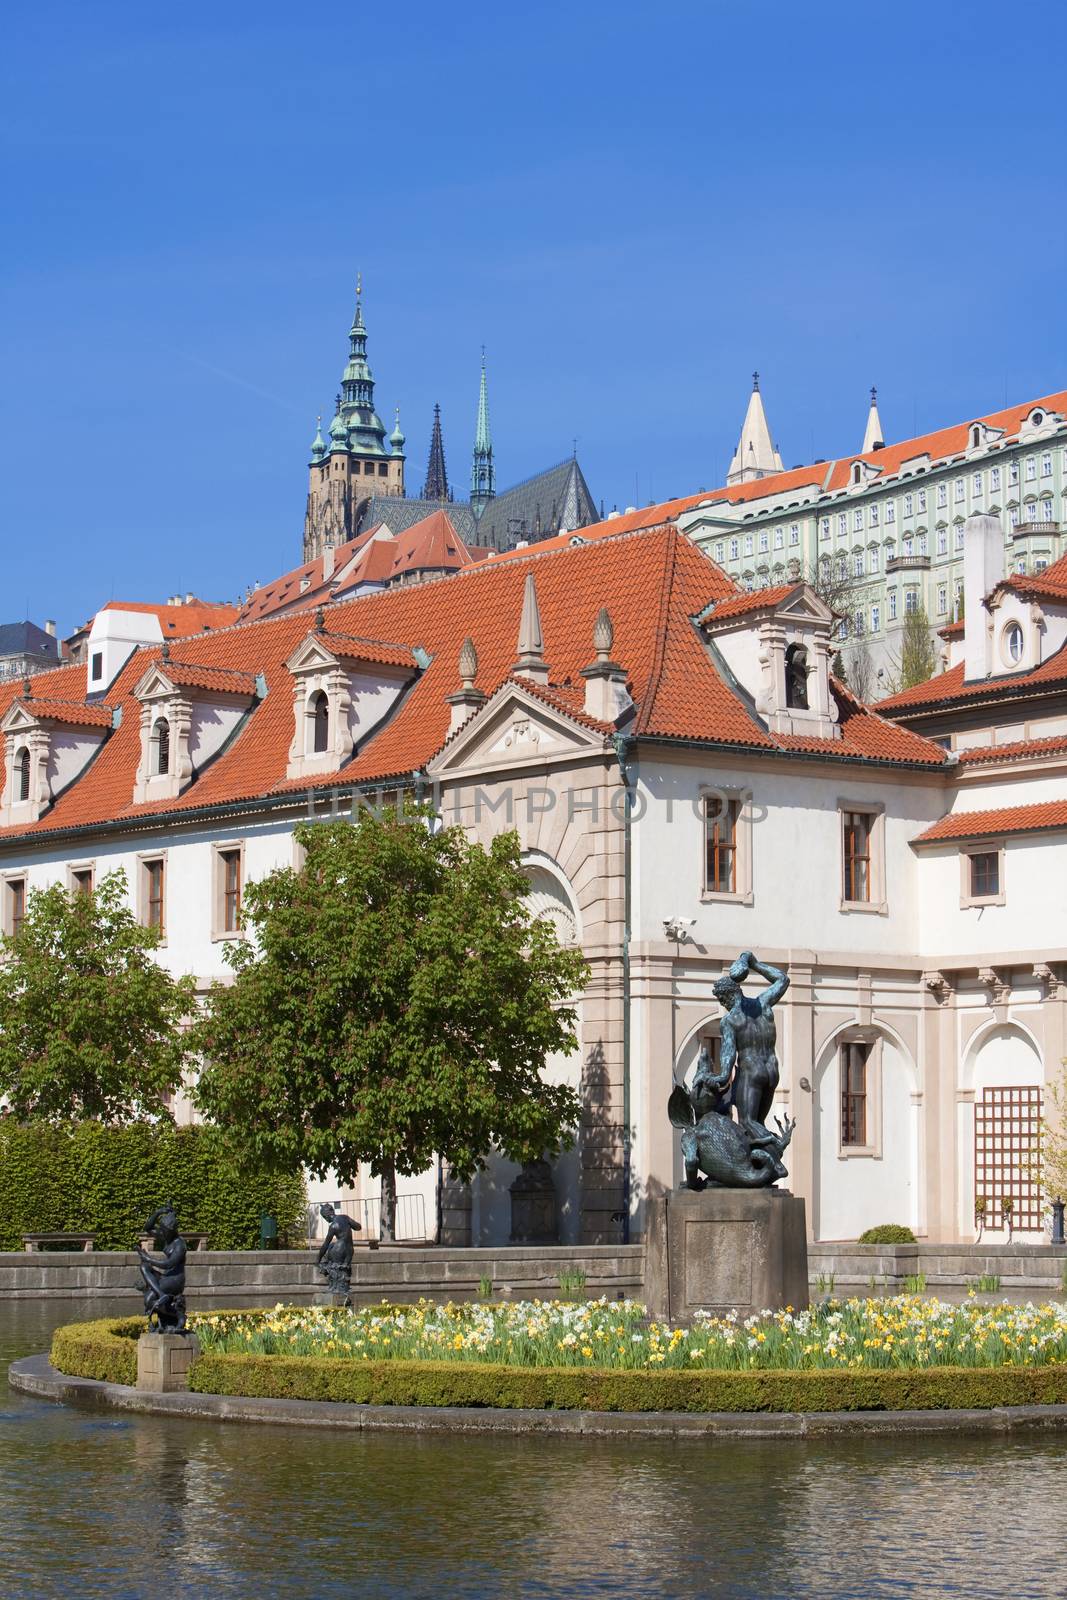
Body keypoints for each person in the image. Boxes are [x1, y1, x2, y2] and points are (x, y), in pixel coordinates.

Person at [711, 950, 790, 1147]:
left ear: (729, 995)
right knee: (758, 1124)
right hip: (772, 1071)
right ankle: (763, 1158)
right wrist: (753, 962)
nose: (722, 1004)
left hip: (752, 1072)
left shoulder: (730, 1021)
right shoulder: (763, 1003)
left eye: (722, 999)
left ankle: (773, 1145)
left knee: (747, 1122)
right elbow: (782, 979)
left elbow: (729, 1052)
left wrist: (723, 1075)